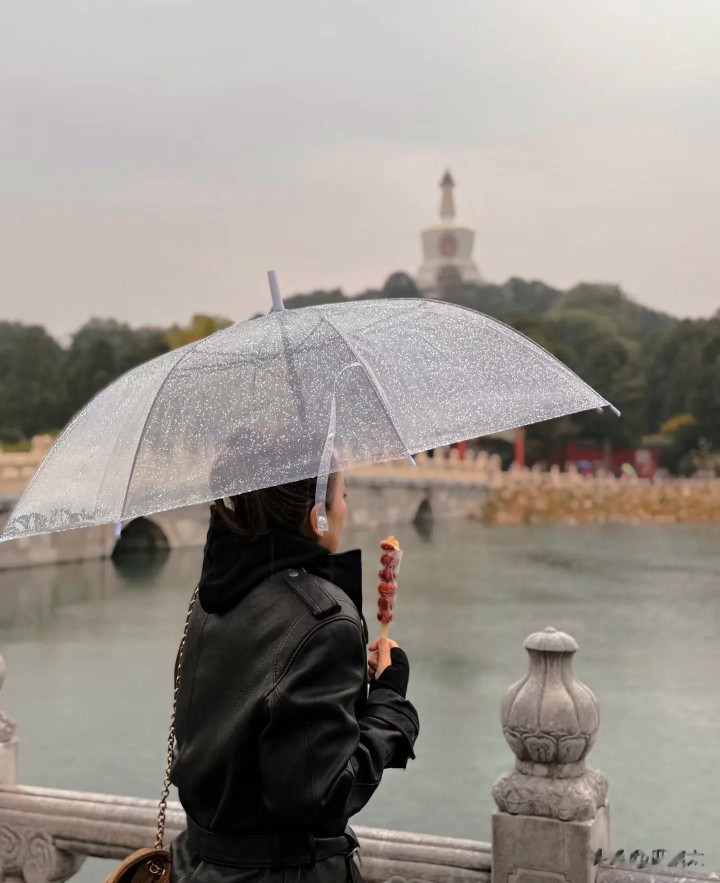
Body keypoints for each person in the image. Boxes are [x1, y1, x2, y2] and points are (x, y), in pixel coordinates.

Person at [169, 469, 419, 882]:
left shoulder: (213, 596)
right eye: (343, 496)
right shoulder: (324, 620)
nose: (344, 509)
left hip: (197, 864)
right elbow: (322, 795)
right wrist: (390, 703)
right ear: (317, 515)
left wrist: (344, 682)